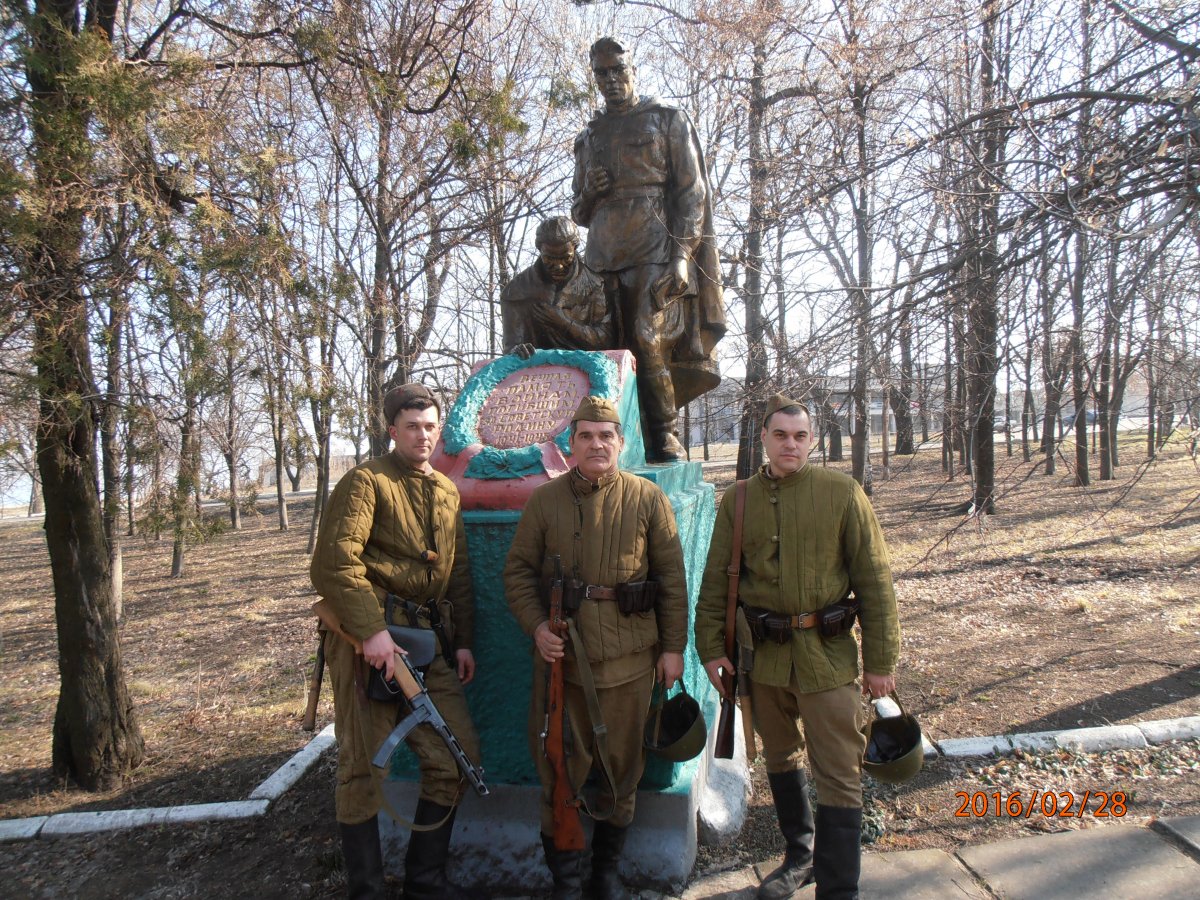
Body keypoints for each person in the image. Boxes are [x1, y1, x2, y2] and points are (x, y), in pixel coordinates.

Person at [694, 394, 901, 900]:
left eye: (800, 436)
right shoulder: (738, 499)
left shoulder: (842, 492)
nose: (791, 444)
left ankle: (839, 887)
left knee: (839, 770)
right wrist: (711, 649)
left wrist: (880, 662)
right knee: (781, 756)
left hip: (825, 659)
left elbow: (875, 581)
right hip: (763, 659)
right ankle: (800, 857)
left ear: (811, 440)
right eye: (781, 435)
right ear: (764, 439)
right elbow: (717, 582)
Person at [503, 396, 688, 900]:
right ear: (572, 444)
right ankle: (566, 883)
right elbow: (518, 572)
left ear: (621, 442)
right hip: (562, 666)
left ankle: (605, 877)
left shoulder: (648, 499)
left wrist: (673, 648)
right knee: (558, 771)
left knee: (622, 772)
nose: (596, 444)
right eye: (585, 435)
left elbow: (671, 580)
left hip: (631, 666)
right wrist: (537, 626)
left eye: (606, 436)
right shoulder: (545, 500)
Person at [310, 383, 480, 900]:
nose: (422, 436)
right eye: (411, 426)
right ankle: (366, 891)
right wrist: (372, 632)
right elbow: (334, 564)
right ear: (393, 430)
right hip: (369, 646)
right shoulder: (366, 482)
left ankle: (425, 884)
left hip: (427, 645)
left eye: (430, 426)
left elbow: (457, 573)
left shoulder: (447, 490)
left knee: (455, 760)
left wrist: (463, 642)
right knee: (363, 769)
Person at [572, 37, 726, 462]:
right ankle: (607, 438)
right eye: (602, 73)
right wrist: (589, 192)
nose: (610, 79)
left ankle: (664, 433)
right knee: (600, 350)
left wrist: (682, 257)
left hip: (655, 247)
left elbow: (692, 193)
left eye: (617, 70)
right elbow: (579, 212)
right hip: (602, 255)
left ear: (632, 70)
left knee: (646, 336)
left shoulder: (668, 119)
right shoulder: (588, 137)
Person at [501, 216, 612, 358]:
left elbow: (605, 341)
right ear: (540, 250)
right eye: (549, 258)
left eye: (566, 258)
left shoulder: (597, 286)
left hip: (586, 366)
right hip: (537, 369)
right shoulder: (516, 291)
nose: (558, 266)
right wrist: (516, 351)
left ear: (575, 249)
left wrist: (564, 323)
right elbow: (511, 346)